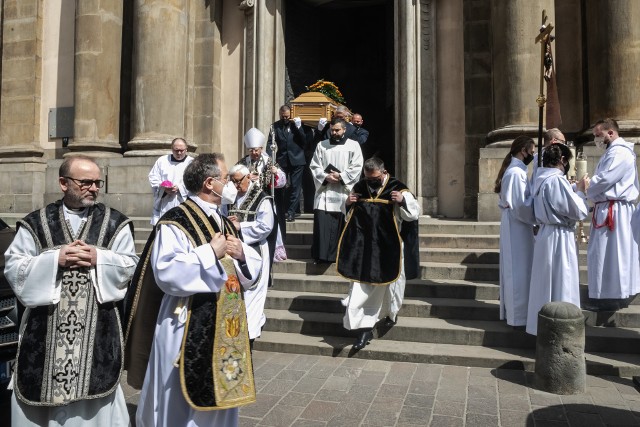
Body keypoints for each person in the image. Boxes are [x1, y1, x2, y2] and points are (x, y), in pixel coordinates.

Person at [125, 153, 262, 427]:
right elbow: (166, 271)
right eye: (226, 179)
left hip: (226, 324)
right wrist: (210, 252)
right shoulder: (176, 220)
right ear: (210, 183)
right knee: (177, 399)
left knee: (221, 394)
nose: (230, 184)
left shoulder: (222, 220)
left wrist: (243, 254)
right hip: (184, 321)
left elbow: (244, 272)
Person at [3, 155, 138, 426]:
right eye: (86, 182)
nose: (94, 188)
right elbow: (14, 267)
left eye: (98, 182)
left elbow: (129, 265)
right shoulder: (36, 222)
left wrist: (100, 258)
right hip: (45, 331)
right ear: (63, 183)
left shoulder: (115, 223)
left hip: (97, 331)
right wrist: (56, 259)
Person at [337, 157, 420, 350]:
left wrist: (401, 201)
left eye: (374, 178)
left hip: (388, 246)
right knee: (360, 286)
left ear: (383, 172)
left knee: (393, 285)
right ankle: (364, 328)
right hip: (363, 247)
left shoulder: (397, 187)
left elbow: (413, 214)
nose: (370, 182)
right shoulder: (360, 186)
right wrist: (348, 203)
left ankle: (391, 313)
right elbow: (346, 213)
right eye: (367, 179)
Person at [526, 144, 589, 335]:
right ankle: (563, 329)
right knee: (562, 280)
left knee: (546, 283)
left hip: (546, 234)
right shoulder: (556, 180)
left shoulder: (540, 180)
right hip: (560, 237)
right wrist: (580, 192)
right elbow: (577, 211)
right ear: (561, 160)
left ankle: (543, 326)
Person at [585, 118, 640, 311]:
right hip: (609, 207)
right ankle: (609, 294)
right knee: (606, 253)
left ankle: (609, 298)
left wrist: (586, 186)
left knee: (609, 254)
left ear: (610, 133)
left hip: (614, 210)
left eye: (598, 135)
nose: (596, 139)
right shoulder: (612, 152)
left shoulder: (620, 152)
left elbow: (604, 180)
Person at [227, 164, 277, 348]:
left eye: (238, 181)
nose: (235, 185)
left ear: (248, 177)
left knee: (253, 296)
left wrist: (241, 227)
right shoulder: (231, 197)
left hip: (255, 250)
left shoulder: (262, 199)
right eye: (232, 181)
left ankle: (250, 336)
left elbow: (266, 226)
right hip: (235, 251)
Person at [494, 136, 536, 329]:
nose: (533, 155)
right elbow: (519, 205)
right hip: (517, 225)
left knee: (521, 268)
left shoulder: (517, 170)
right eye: (532, 151)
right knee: (517, 269)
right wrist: (536, 216)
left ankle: (518, 313)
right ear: (523, 151)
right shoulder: (516, 173)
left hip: (517, 224)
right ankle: (517, 315)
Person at [309, 117, 364, 264]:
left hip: (343, 192)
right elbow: (314, 166)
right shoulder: (322, 145)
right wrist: (325, 176)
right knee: (323, 226)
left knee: (342, 225)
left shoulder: (354, 145)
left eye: (337, 130)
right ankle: (321, 256)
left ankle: (341, 256)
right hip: (325, 192)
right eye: (332, 130)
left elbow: (358, 166)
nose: (334, 132)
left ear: (344, 130)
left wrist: (341, 176)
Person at [237, 127, 287, 260]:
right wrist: (247, 177)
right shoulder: (243, 162)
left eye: (256, 150)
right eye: (251, 150)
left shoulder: (269, 161)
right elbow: (235, 176)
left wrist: (276, 173)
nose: (254, 153)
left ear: (261, 149)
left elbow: (282, 181)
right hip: (246, 203)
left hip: (264, 201)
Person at [267, 105, 307, 223]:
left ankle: (291, 212)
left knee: (295, 186)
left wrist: (299, 127)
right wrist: (270, 159)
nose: (285, 119)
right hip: (282, 159)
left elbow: (305, 141)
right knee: (280, 185)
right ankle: (280, 210)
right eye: (282, 116)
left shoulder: (298, 124)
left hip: (297, 159)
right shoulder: (275, 126)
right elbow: (271, 143)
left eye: (287, 117)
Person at [148, 137, 194, 225]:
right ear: (171, 149)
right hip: (165, 202)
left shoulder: (191, 162)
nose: (179, 153)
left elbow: (195, 181)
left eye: (182, 150)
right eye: (176, 150)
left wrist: (180, 188)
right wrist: (163, 188)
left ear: (186, 149)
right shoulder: (162, 161)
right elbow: (153, 177)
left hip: (184, 202)